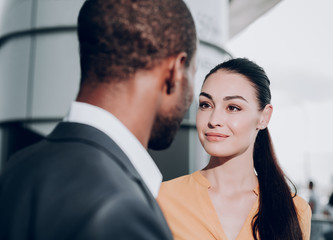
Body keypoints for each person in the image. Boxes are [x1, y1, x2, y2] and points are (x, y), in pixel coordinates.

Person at [0, 0, 197, 239]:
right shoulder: (120, 209)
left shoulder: (16, 168)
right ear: (175, 71)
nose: (191, 98)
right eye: (193, 74)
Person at [158, 58, 312, 240]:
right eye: (206, 105)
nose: (214, 120)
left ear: (264, 117)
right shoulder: (161, 198)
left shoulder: (295, 210)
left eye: (233, 107)